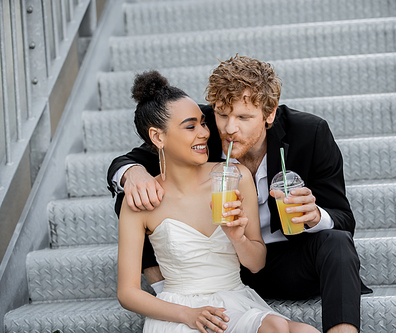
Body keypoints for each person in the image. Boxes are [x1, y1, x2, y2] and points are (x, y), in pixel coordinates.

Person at [108, 55, 371, 333]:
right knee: (136, 194)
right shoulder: (201, 125)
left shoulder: (310, 133)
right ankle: (164, 285)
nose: (229, 128)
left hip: (281, 258)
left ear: (269, 114)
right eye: (221, 115)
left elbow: (344, 219)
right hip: (217, 269)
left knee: (337, 242)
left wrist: (315, 216)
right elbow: (138, 154)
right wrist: (131, 173)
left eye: (244, 117)